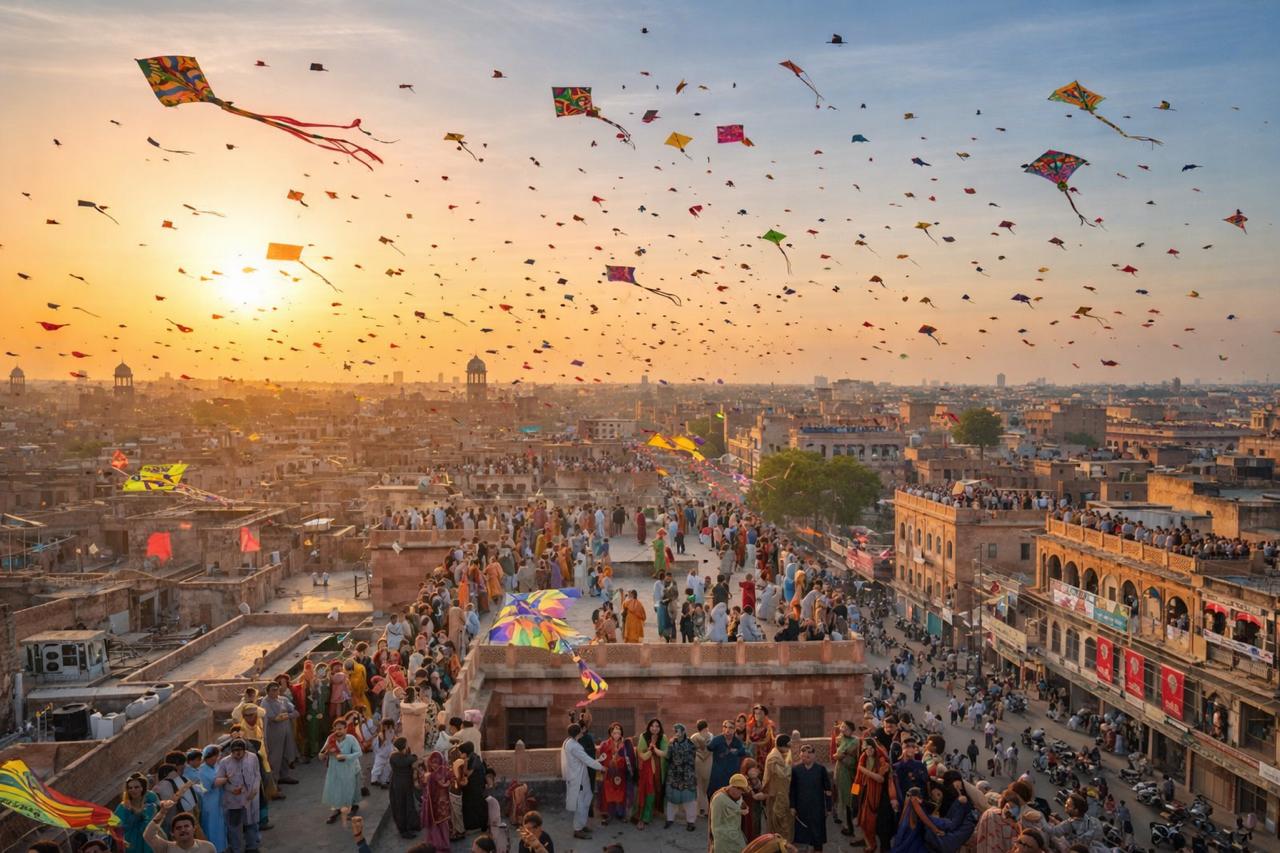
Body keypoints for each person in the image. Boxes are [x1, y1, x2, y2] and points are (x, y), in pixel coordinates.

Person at [214, 739, 260, 853]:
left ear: (244, 750)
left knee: (251, 823)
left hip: (249, 798)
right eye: (235, 751)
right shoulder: (224, 762)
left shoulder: (252, 758)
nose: (237, 753)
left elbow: (257, 775)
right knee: (235, 826)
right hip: (233, 800)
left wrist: (254, 790)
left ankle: (252, 847)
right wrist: (231, 789)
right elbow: (218, 780)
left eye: (240, 750)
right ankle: (237, 849)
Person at [561, 722, 604, 840]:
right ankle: (578, 829)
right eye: (580, 730)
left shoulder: (570, 742)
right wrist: (601, 767)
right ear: (578, 733)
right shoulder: (574, 746)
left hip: (580, 776)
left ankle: (582, 825)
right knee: (580, 805)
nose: (582, 732)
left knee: (587, 798)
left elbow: (584, 760)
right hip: (577, 779)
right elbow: (587, 760)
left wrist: (597, 761)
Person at [856, 736, 897, 853]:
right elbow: (857, 780)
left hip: (881, 796)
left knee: (882, 826)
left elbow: (880, 779)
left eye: (870, 748)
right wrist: (854, 795)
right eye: (865, 748)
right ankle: (871, 844)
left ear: (875, 748)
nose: (868, 750)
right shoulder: (863, 759)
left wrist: (863, 769)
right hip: (865, 794)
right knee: (864, 822)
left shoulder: (881, 760)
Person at [790, 743, 832, 851]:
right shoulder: (796, 770)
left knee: (817, 834)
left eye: (808, 756)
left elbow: (828, 790)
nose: (806, 758)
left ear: (814, 755)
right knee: (802, 834)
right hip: (801, 807)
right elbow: (792, 789)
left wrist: (828, 807)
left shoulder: (821, 769)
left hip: (817, 808)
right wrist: (792, 806)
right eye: (803, 756)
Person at [321, 718, 363, 824]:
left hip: (349, 769)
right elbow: (322, 752)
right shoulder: (331, 738)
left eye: (340, 729)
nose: (338, 731)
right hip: (334, 769)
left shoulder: (351, 739)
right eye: (336, 729)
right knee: (336, 788)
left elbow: (359, 753)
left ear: (346, 729)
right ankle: (336, 810)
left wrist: (345, 756)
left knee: (349, 789)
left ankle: (352, 807)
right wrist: (322, 754)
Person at [596, 721, 635, 825]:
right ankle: (610, 814)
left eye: (618, 732)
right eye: (614, 732)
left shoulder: (626, 744)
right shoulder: (604, 744)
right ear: (610, 733)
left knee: (621, 795)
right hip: (609, 774)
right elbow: (601, 759)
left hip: (621, 774)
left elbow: (631, 758)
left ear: (621, 733)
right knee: (609, 794)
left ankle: (621, 814)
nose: (616, 735)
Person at [633, 718, 668, 828]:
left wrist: (654, 749)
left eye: (657, 726)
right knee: (646, 793)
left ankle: (649, 814)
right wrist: (650, 751)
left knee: (655, 792)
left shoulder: (663, 737)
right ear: (649, 727)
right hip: (646, 771)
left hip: (659, 771)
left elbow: (665, 753)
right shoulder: (644, 737)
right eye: (652, 726)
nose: (654, 728)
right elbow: (641, 755)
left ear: (660, 728)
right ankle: (642, 817)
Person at [142, 802, 215, 853]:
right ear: (172, 833)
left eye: (186, 826)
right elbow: (148, 835)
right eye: (178, 828)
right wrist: (162, 813)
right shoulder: (166, 848)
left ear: (194, 829)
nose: (183, 830)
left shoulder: (208, 847)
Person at [665, 723, 699, 831]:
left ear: (683, 732)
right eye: (675, 730)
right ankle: (670, 819)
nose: (676, 733)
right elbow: (668, 757)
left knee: (689, 800)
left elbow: (691, 759)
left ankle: (691, 822)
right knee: (672, 799)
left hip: (687, 774)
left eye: (678, 730)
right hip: (674, 774)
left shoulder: (690, 744)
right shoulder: (671, 743)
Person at [193, 745, 226, 853]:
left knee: (220, 826)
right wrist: (226, 779)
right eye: (212, 757)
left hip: (219, 800)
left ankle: (222, 848)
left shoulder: (216, 766)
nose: (214, 759)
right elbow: (211, 784)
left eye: (216, 756)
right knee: (211, 826)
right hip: (209, 802)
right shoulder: (202, 770)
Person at [114, 773, 159, 853]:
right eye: (130, 788)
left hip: (149, 845)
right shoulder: (123, 807)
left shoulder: (151, 807)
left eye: (136, 787)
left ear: (142, 788)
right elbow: (117, 828)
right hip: (131, 845)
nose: (133, 790)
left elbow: (155, 827)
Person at [708, 719, 751, 799]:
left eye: (730, 727)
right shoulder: (717, 740)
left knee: (731, 797)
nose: (727, 729)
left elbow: (743, 752)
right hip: (717, 775)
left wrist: (736, 751)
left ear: (734, 730)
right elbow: (709, 748)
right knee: (714, 796)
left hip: (731, 776)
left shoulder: (737, 742)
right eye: (725, 727)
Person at [420, 750, 454, 848]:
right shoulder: (442, 772)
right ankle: (436, 843)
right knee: (435, 824)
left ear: (441, 762)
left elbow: (451, 779)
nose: (434, 765)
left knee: (441, 824)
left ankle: (441, 844)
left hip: (440, 804)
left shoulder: (432, 774)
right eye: (432, 763)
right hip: (435, 804)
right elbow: (423, 786)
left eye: (437, 763)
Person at [710, 774, 751, 853]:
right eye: (738, 789)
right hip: (722, 838)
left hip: (737, 836)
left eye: (742, 791)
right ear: (732, 786)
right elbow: (715, 822)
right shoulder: (719, 799)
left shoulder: (738, 798)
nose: (740, 792)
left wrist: (743, 809)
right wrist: (738, 811)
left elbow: (741, 807)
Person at [765, 734, 795, 841]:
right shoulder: (773, 758)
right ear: (781, 746)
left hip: (784, 791)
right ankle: (778, 843)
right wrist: (793, 769)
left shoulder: (783, 753)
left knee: (786, 817)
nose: (788, 750)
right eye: (787, 747)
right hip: (776, 793)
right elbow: (783, 774)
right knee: (778, 818)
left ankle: (785, 843)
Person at [833, 721, 859, 833]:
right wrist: (839, 756)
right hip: (840, 773)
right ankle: (844, 823)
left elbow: (842, 754)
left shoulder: (855, 741)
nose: (843, 729)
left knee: (851, 799)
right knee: (840, 797)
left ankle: (851, 827)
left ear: (852, 730)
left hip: (852, 774)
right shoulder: (841, 739)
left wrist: (840, 756)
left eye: (846, 728)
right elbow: (837, 754)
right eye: (842, 727)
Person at [692, 719, 714, 817]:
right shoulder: (711, 736)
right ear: (706, 727)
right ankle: (705, 809)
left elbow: (691, 750)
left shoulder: (694, 737)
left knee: (698, 786)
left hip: (697, 761)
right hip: (708, 761)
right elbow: (711, 749)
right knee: (706, 786)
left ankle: (700, 809)